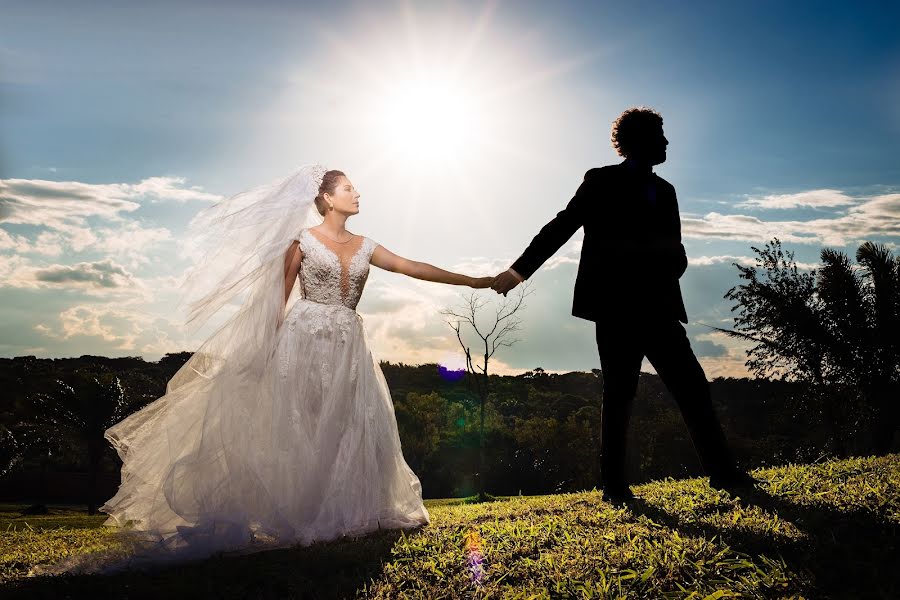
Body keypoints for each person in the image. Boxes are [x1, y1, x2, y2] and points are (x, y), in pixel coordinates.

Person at [35, 164, 492, 575]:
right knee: (301, 424)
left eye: (357, 189)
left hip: (349, 341)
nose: (358, 195)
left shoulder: (367, 245)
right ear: (327, 198)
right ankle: (301, 513)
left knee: (352, 423)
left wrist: (473, 279)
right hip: (304, 338)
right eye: (349, 189)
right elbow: (277, 300)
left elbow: (412, 267)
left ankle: (348, 511)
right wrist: (264, 353)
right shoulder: (301, 241)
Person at [491, 107, 760, 504]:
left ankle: (723, 474)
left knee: (693, 389)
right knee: (620, 395)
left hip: (660, 307)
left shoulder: (667, 191)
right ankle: (614, 488)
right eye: (661, 136)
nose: (667, 143)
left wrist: (674, 264)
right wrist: (517, 273)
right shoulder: (600, 181)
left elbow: (676, 247)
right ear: (641, 141)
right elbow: (561, 227)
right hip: (616, 308)